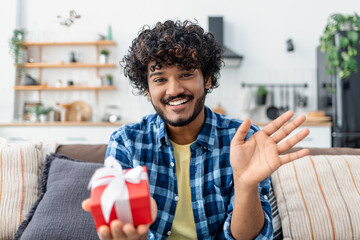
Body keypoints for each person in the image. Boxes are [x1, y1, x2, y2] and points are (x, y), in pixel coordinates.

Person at [82, 20, 310, 240]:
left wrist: (245, 183)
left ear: (207, 79)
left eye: (186, 74)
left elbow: (247, 237)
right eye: (160, 79)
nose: (174, 89)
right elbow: (119, 225)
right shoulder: (127, 141)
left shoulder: (243, 140)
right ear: (148, 91)